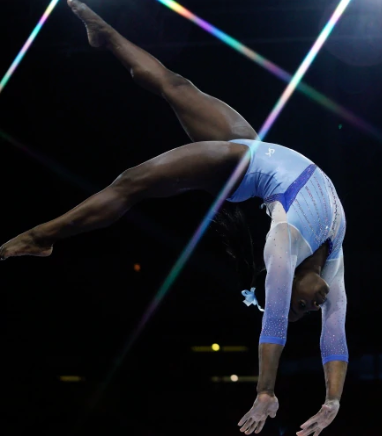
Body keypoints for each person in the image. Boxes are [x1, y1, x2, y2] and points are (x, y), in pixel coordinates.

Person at [0, 1, 348, 435]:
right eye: (306, 308)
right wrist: (332, 401)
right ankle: (106, 35)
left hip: (241, 166)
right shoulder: (331, 256)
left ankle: (42, 236)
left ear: (284, 281)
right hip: (255, 150)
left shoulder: (282, 245)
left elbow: (273, 322)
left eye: (300, 306)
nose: (313, 306)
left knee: (133, 180)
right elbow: (335, 334)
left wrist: (265, 392)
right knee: (174, 84)